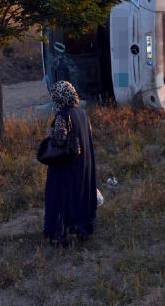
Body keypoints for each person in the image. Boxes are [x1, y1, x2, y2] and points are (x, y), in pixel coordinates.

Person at [44, 81, 97, 246]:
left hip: (66, 166)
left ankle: (59, 235)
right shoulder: (82, 112)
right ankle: (81, 229)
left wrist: (49, 134)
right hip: (83, 164)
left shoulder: (62, 115)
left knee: (60, 196)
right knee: (79, 196)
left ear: (59, 97)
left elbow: (60, 140)